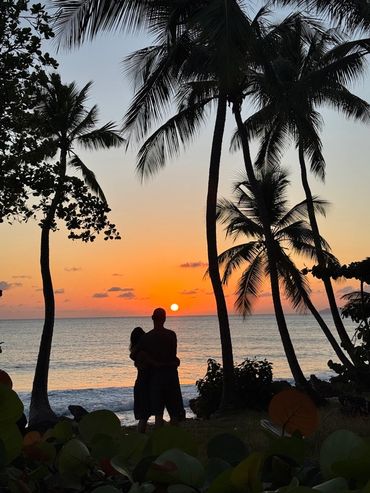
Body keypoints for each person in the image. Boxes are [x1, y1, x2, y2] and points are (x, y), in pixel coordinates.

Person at [138, 308, 185, 427]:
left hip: (156, 377)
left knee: (158, 413)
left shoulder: (146, 338)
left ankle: (160, 439)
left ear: (152, 318)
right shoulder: (171, 335)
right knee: (174, 412)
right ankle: (174, 438)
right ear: (164, 319)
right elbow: (173, 356)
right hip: (171, 375)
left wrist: (153, 362)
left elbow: (136, 355)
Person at [130, 326, 151, 433]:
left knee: (144, 414)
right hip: (144, 384)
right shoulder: (142, 353)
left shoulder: (136, 352)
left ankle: (140, 434)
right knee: (144, 415)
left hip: (140, 383)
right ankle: (140, 435)